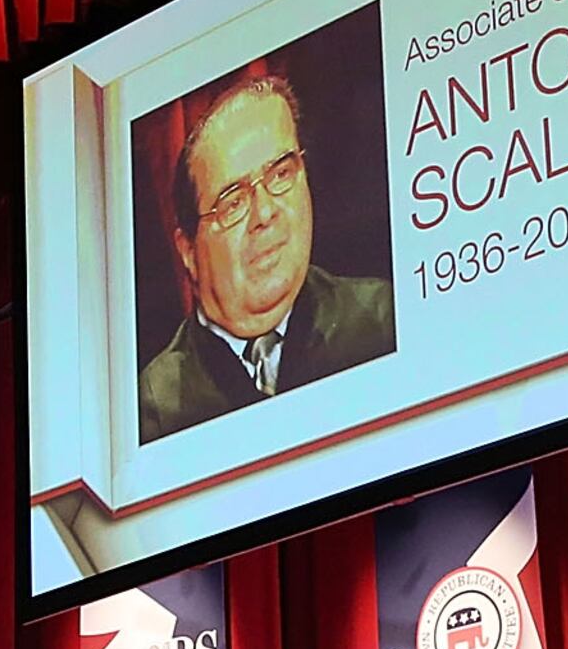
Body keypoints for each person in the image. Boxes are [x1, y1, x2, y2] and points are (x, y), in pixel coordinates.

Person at [133, 66, 397, 443]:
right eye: (233, 202)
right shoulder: (153, 413)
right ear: (188, 251)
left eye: (280, 174)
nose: (265, 213)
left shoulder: (384, 320)